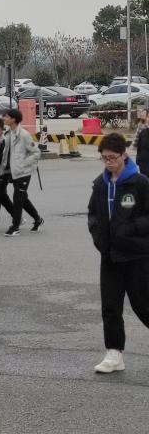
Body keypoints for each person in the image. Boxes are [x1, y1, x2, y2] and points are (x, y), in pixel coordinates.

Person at [87, 132, 149, 374]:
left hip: (136, 255)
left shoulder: (140, 183)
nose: (108, 162)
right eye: (104, 158)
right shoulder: (100, 184)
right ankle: (114, 354)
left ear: (124, 155)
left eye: (112, 157)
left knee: (143, 304)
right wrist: (98, 237)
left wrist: (130, 229)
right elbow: (92, 214)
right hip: (110, 256)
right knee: (110, 306)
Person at [0, 108, 45, 237]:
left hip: (23, 172)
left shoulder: (24, 135)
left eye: (6, 117)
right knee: (23, 198)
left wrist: (23, 164)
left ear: (13, 119)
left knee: (18, 198)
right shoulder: (8, 133)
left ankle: (15, 226)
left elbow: (36, 153)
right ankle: (38, 219)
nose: (4, 119)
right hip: (13, 171)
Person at [135, 108, 149, 177]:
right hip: (143, 160)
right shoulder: (141, 125)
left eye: (144, 113)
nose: (142, 115)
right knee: (144, 178)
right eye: (142, 113)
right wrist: (138, 158)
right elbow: (138, 143)